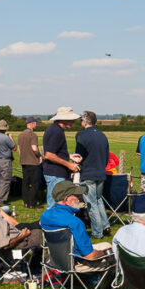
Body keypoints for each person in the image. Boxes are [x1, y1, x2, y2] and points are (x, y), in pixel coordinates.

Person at [40, 180, 112, 262]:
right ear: (66, 200)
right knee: (109, 249)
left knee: (105, 245)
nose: (80, 198)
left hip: (54, 260)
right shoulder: (75, 222)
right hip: (74, 264)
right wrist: (106, 253)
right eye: (77, 196)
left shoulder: (45, 216)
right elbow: (90, 256)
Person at [75, 111, 110, 240]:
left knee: (91, 204)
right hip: (101, 172)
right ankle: (105, 225)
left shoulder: (82, 136)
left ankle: (97, 232)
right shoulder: (102, 135)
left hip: (88, 173)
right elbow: (106, 157)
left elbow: (78, 156)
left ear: (84, 122)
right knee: (98, 199)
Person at [42, 107, 81, 209]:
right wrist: (69, 164)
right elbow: (49, 155)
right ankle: (48, 224)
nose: (72, 121)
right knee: (54, 204)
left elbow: (54, 152)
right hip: (55, 174)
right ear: (63, 119)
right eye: (70, 119)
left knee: (58, 203)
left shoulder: (56, 129)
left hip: (55, 173)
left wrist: (68, 156)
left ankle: (54, 224)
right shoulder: (56, 131)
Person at [17, 116, 42, 209]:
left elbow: (19, 149)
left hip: (23, 161)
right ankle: (32, 203)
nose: (37, 125)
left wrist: (22, 158)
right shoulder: (33, 135)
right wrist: (39, 156)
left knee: (25, 183)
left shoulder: (21, 135)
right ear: (32, 124)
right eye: (36, 123)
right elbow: (34, 148)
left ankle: (26, 202)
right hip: (32, 162)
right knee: (35, 184)